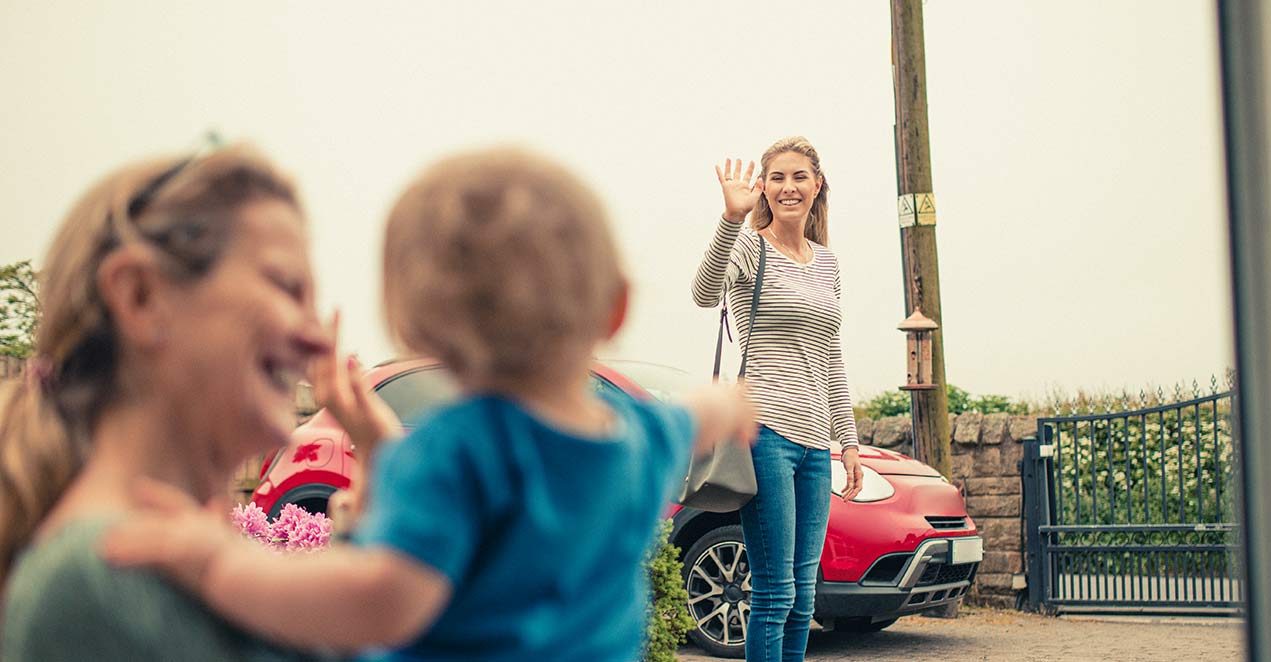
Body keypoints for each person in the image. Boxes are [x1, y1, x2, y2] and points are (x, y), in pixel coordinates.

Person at [102, 146, 758, 662]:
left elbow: (379, 602)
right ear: (616, 308)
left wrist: (215, 561)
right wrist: (732, 406)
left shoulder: (452, 449)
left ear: (412, 326)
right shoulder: (642, 435)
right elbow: (702, 415)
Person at [0, 144, 336, 661]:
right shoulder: (92, 588)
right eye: (288, 288)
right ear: (140, 297)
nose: (319, 339)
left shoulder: (177, 568)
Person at [690, 136, 864, 662]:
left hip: (815, 444)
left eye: (800, 177)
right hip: (765, 433)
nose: (790, 187)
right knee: (774, 592)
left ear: (817, 186)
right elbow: (703, 293)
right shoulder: (748, 244)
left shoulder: (828, 263)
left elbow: (831, 356)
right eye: (778, 178)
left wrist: (848, 442)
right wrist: (729, 220)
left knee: (804, 594)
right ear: (764, 187)